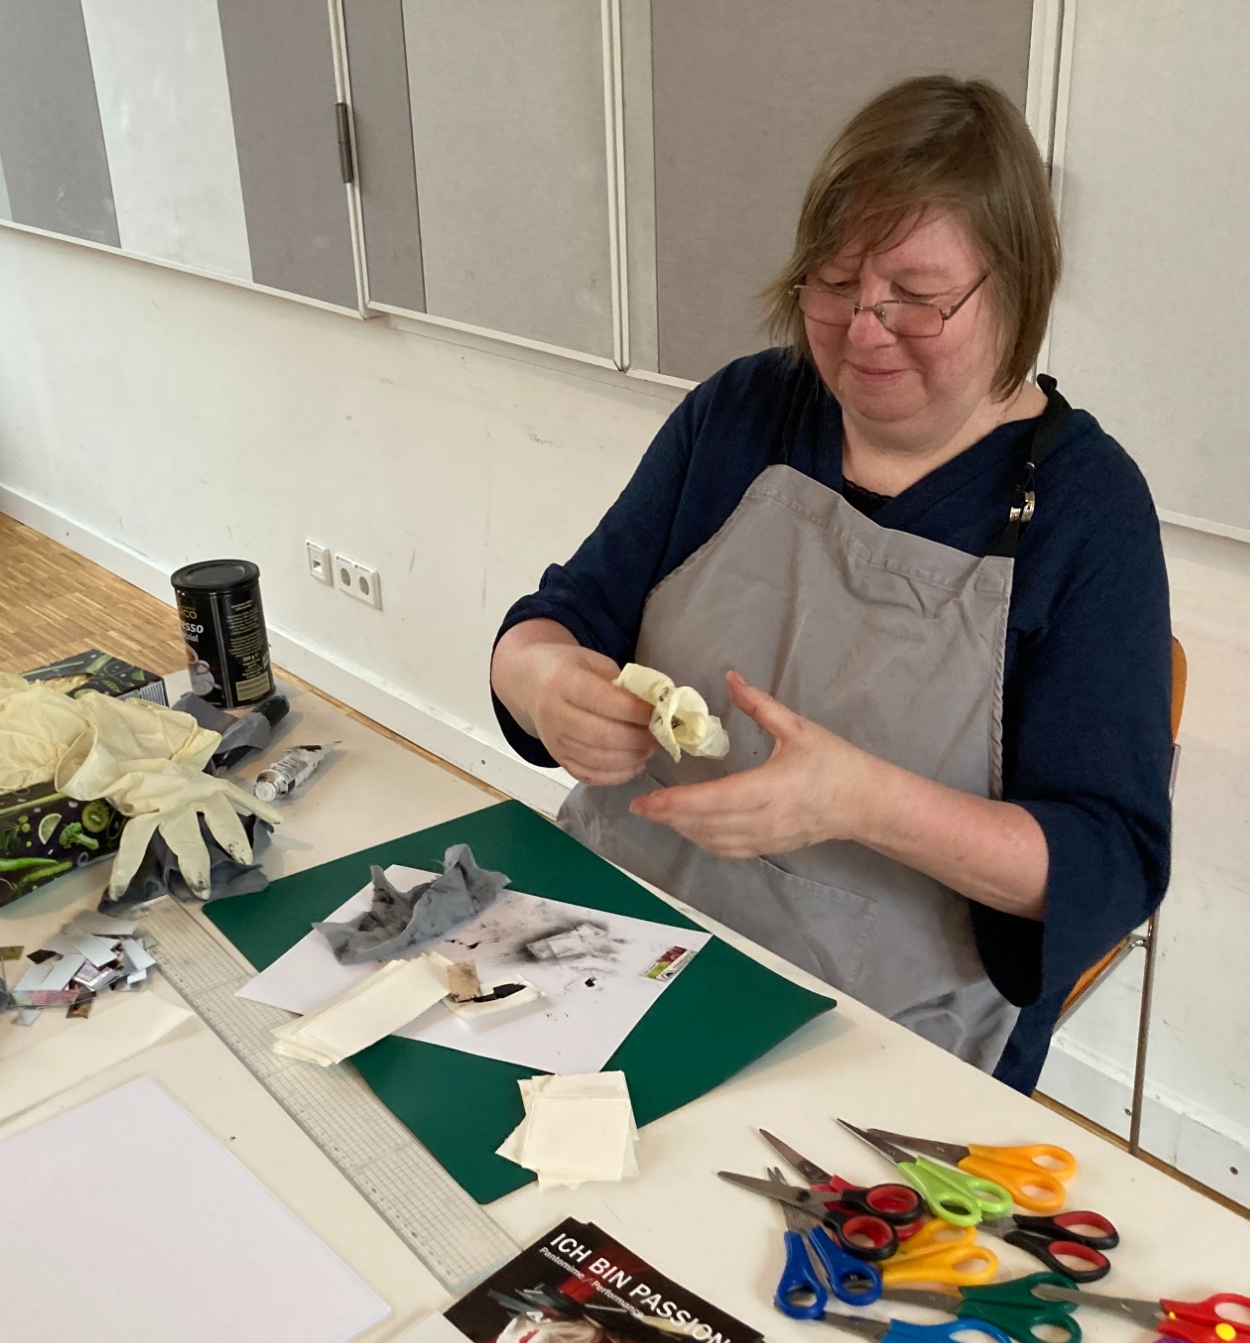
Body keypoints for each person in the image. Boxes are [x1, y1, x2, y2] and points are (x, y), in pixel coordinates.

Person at [489, 75, 1171, 1094]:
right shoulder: (742, 413)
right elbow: (558, 621)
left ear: (1016, 286)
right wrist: (544, 685)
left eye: (917, 296)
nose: (863, 329)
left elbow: (1107, 865)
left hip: (875, 1028)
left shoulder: (1086, 510)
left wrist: (864, 803)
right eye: (836, 282)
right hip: (618, 930)